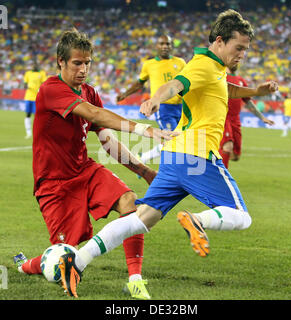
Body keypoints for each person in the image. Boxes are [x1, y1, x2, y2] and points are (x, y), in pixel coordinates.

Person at [58, 10, 278, 298]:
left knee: (141, 219)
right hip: (197, 155)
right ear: (221, 41)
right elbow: (175, 85)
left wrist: (257, 92)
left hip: (176, 157)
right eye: (239, 48)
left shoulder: (215, 68)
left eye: (246, 50)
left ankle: (78, 261)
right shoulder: (201, 65)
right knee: (241, 215)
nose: (242, 55)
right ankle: (198, 219)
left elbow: (224, 88)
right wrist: (155, 99)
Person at [13, 29, 177, 300]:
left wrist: (144, 170)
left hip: (84, 170)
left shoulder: (90, 91)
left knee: (129, 203)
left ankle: (135, 280)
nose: (83, 68)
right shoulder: (50, 89)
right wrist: (143, 130)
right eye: (77, 63)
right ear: (61, 62)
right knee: (65, 254)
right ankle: (25, 264)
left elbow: (108, 141)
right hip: (54, 184)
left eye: (87, 62)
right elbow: (93, 113)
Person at [117, 35, 186, 164]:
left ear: (171, 46)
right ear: (157, 46)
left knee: (179, 139)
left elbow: (188, 82)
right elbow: (139, 83)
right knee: (172, 138)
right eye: (162, 44)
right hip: (163, 107)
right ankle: (169, 173)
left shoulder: (180, 62)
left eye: (168, 44)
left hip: (181, 107)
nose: (165, 46)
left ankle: (143, 157)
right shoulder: (149, 65)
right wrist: (125, 94)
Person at [219, 65, 275, 168]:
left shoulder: (241, 80)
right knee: (228, 146)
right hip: (223, 117)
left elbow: (248, 102)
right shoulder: (221, 76)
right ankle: (220, 178)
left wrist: (262, 117)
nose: (236, 61)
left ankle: (213, 159)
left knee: (235, 156)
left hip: (235, 119)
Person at [23, 61, 47, 139]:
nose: (34, 66)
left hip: (37, 97)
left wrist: (40, 89)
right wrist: (26, 86)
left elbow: (44, 84)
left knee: (37, 116)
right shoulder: (28, 73)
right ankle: (28, 132)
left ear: (38, 66)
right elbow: (25, 83)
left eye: (36, 65)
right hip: (28, 97)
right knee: (28, 114)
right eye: (33, 65)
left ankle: (37, 132)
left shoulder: (42, 73)